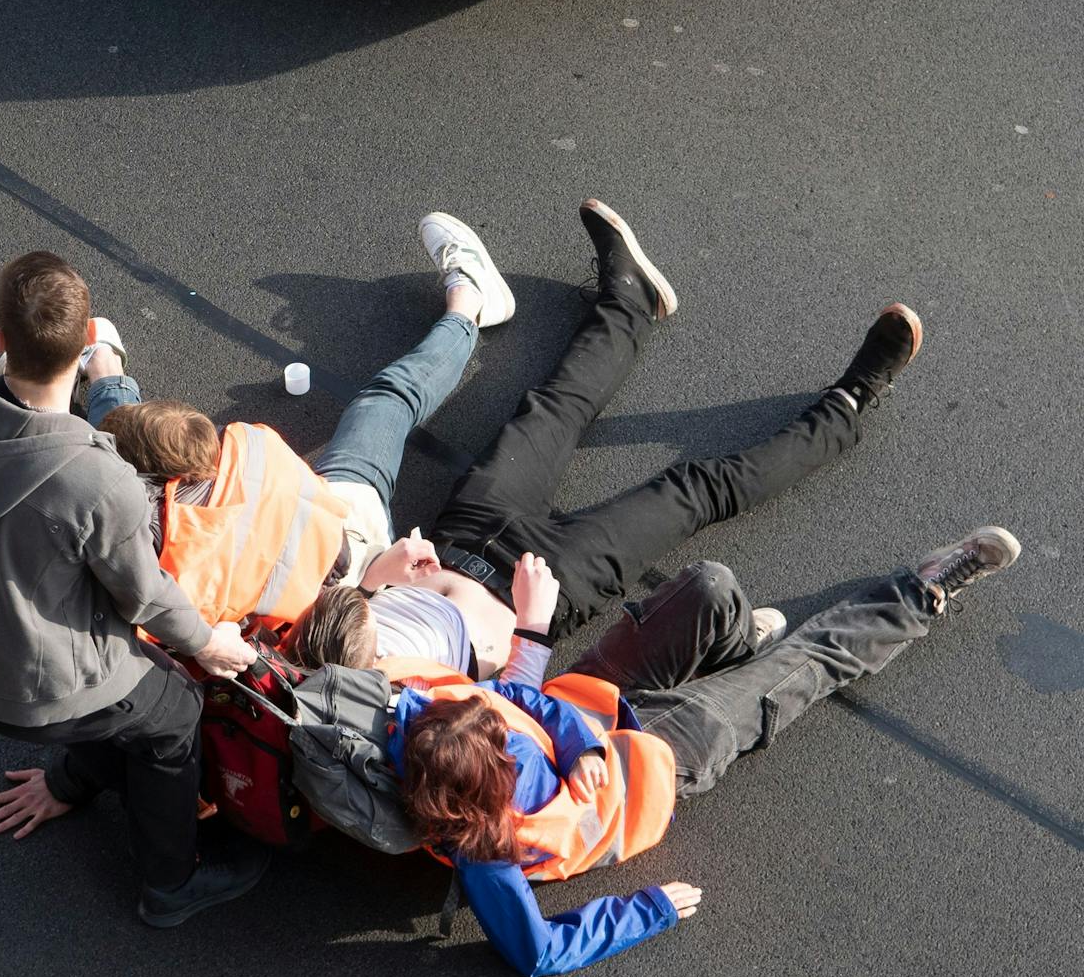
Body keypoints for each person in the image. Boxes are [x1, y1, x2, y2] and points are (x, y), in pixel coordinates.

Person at [273, 198, 926, 678]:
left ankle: (631, 302)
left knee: (552, 409)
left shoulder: (304, 665)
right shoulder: (395, 717)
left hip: (463, 534)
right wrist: (531, 623)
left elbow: (341, 613)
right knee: (693, 491)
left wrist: (381, 577)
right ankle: (847, 406)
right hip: (550, 582)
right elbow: (509, 714)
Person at [381, 524, 1021, 977]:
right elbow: (535, 953)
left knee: (710, 588)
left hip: (591, 705)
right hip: (648, 765)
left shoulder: (419, 721)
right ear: (495, 781)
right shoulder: (486, 852)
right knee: (803, 665)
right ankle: (920, 595)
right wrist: (646, 910)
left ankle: (735, 655)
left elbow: (513, 699)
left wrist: (575, 742)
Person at [0, 250, 268, 928]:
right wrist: (210, 643)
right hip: (38, 693)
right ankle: (170, 884)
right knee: (173, 709)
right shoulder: (97, 478)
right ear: (87, 344)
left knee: (126, 695)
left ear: (0, 338)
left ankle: (74, 779)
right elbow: (143, 598)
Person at [85, 211, 512, 631]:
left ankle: (103, 366)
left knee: (105, 461)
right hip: (345, 546)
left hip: (320, 596)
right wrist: (370, 577)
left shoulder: (139, 550)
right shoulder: (247, 447)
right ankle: (469, 303)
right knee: (387, 400)